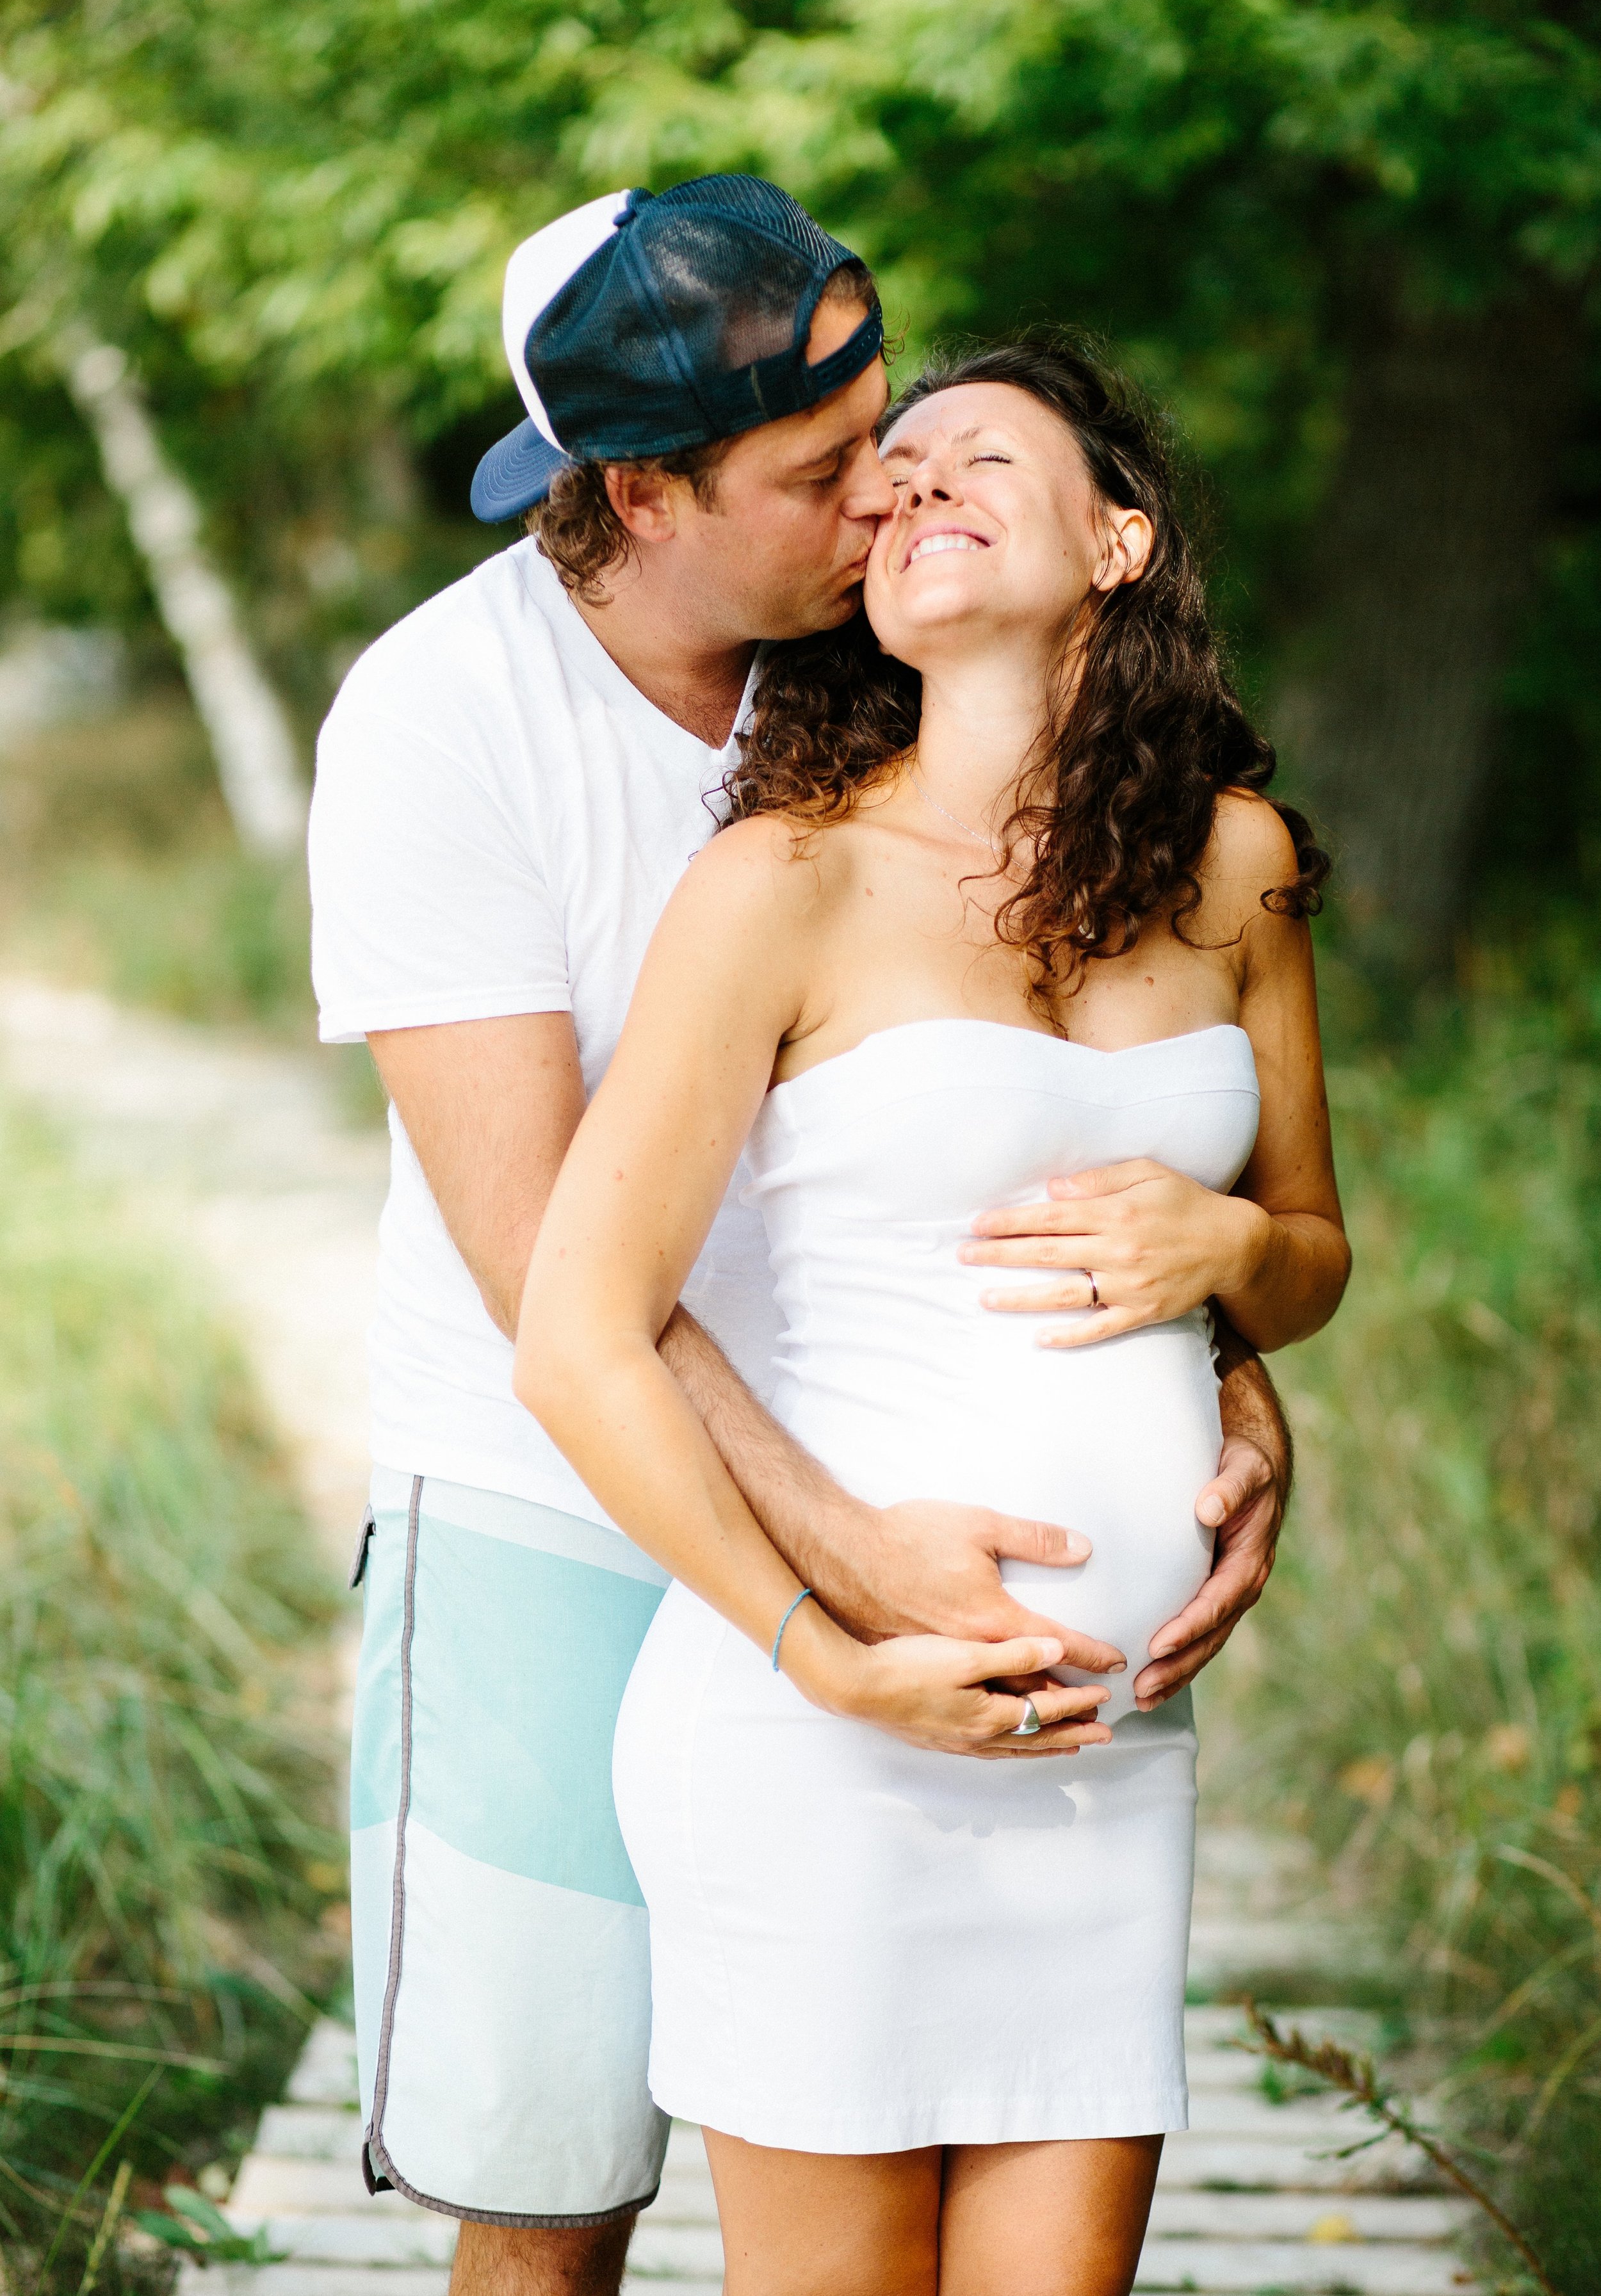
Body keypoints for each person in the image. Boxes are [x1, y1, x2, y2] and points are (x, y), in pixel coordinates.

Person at [309, 177, 1294, 2296]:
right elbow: (554, 1286)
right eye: (831, 467)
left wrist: (1219, 1354)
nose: (887, 499)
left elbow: (1022, 1069)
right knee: (554, 2187)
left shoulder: (871, 658)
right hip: (557, 1523)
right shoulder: (440, 723)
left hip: (970, 1599)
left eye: (896, 439)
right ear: (646, 494)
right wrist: (837, 1589)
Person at [517, 334, 1349, 2296]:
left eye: (978, 456)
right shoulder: (779, 884)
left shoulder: (1237, 868)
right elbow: (576, 1331)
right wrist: (823, 1649)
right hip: (822, 1740)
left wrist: (1226, 1263)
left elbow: (1307, 1245)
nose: (913, 487)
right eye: (888, 479)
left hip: (1109, 1747)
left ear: (1118, 538)